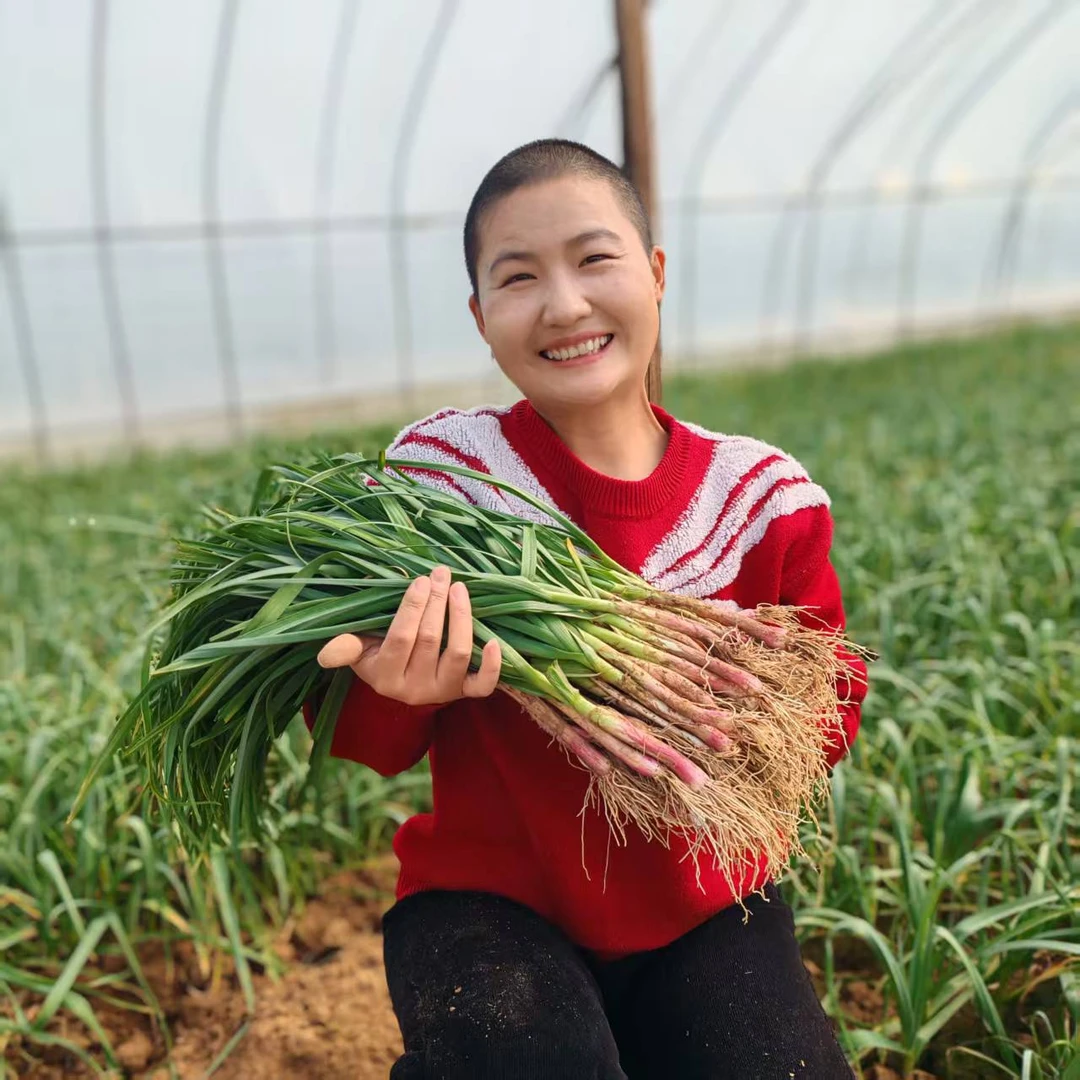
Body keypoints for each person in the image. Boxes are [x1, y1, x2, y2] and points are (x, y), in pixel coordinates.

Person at [312, 138, 866, 1079]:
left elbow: (826, 699)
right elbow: (370, 738)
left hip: (703, 896)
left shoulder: (766, 495)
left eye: (595, 259)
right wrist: (405, 686)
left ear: (655, 275)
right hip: (486, 904)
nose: (564, 305)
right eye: (519, 278)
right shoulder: (439, 482)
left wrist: (732, 715)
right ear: (482, 319)